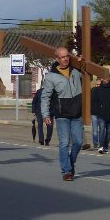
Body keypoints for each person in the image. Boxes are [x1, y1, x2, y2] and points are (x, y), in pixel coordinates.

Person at [40, 48, 84, 180]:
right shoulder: (51, 76)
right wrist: (45, 115)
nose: (66, 59)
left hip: (77, 113)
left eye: (67, 56)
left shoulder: (76, 71)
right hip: (62, 114)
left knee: (78, 142)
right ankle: (66, 171)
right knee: (64, 143)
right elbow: (45, 97)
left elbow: (89, 76)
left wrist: (82, 63)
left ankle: (70, 162)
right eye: (63, 57)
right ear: (57, 59)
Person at [91, 75, 110, 154]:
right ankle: (101, 146)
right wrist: (98, 110)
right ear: (102, 79)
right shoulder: (98, 90)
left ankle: (106, 146)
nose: (106, 80)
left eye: (107, 78)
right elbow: (94, 101)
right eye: (104, 78)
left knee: (108, 132)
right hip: (101, 114)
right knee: (102, 131)